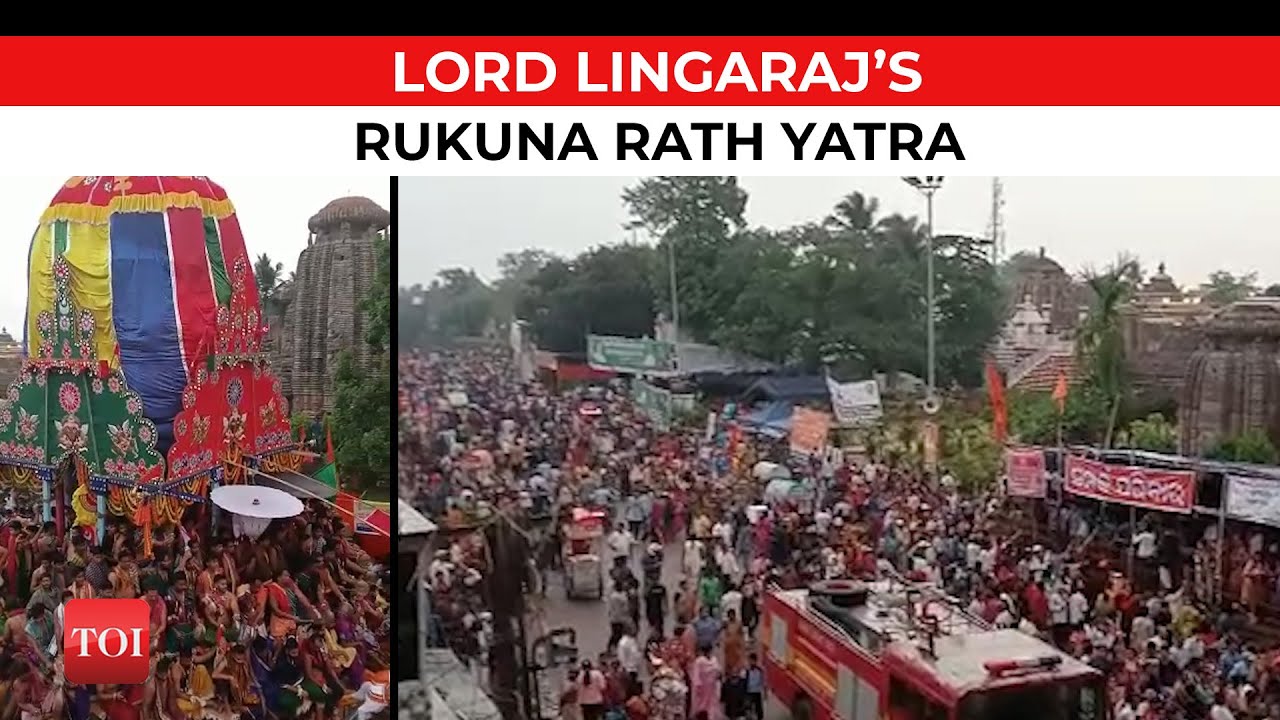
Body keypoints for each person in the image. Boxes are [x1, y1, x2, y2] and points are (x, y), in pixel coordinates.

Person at [745, 653, 765, 720]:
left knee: (758, 709)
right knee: (748, 708)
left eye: (752, 660)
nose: (750, 662)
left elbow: (763, 681)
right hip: (749, 692)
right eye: (749, 660)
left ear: (755, 661)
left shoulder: (760, 670)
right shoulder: (747, 671)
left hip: (757, 692)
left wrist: (765, 692)